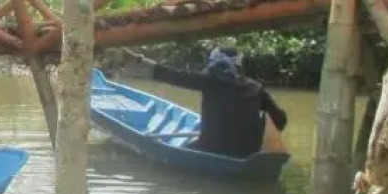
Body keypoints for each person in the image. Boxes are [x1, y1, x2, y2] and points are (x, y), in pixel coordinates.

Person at [123, 46, 288, 158]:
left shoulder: (208, 80)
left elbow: (174, 75)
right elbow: (280, 120)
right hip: (248, 153)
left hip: (212, 149)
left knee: (178, 157)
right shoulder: (256, 87)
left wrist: (140, 60)